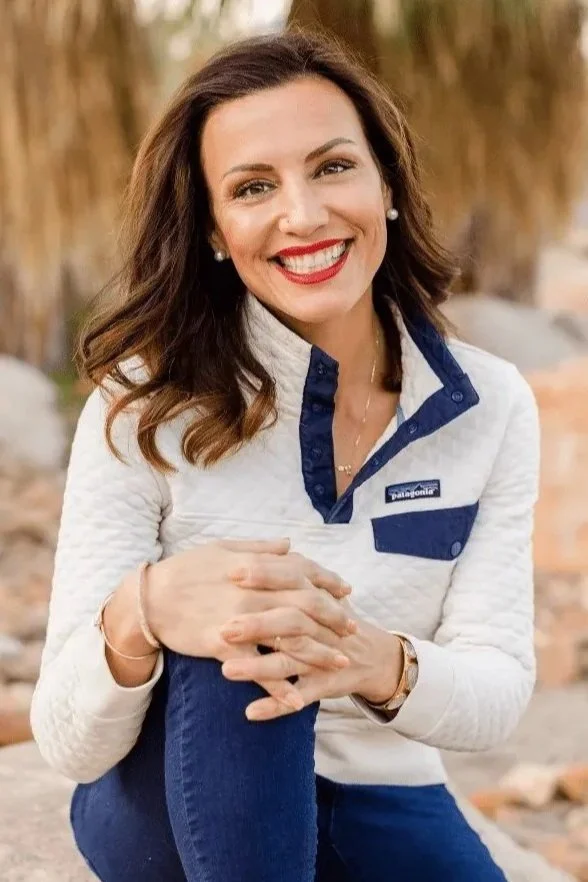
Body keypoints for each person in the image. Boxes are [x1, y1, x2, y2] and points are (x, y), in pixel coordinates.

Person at [30, 28, 540, 882]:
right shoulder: (140, 405)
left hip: (381, 790)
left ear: (386, 186)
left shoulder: (492, 404)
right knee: (252, 613)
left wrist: (370, 658)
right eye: (253, 186)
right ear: (216, 230)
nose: (302, 215)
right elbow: (68, 741)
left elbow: (496, 691)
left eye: (333, 167)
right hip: (175, 784)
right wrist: (144, 610)